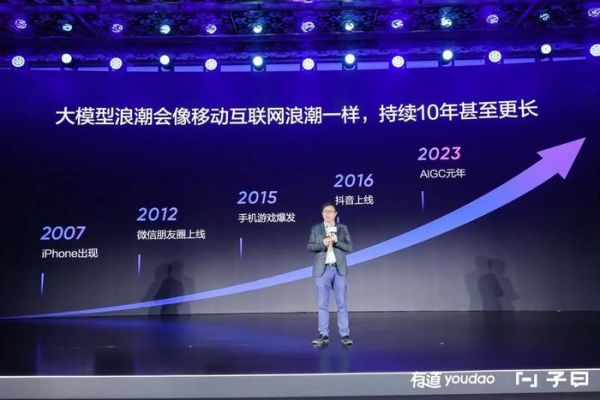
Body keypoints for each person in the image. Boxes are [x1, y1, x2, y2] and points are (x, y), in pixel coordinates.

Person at [307, 202, 354, 347]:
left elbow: (350, 247)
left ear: (335, 214)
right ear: (322, 214)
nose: (328, 214)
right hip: (323, 270)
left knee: (342, 304)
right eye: (325, 211)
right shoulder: (316, 228)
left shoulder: (342, 228)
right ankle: (323, 335)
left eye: (330, 211)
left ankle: (345, 335)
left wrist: (337, 241)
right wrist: (322, 243)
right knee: (322, 305)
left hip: (339, 269)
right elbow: (310, 246)